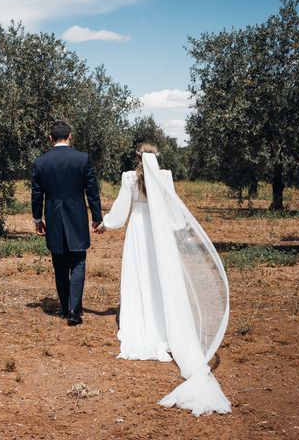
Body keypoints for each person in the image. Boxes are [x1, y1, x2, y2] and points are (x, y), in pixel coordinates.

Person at [96, 142, 231, 416]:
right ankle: (164, 325)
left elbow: (122, 211)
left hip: (138, 231)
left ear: (136, 158)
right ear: (158, 158)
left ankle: (141, 324)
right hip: (160, 235)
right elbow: (173, 211)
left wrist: (105, 223)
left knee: (139, 277)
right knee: (161, 279)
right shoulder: (165, 176)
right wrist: (179, 230)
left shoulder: (129, 178)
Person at [31, 121, 103, 326]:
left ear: (50, 138)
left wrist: (38, 220)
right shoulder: (82, 159)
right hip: (77, 217)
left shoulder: (40, 162)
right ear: (70, 136)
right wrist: (96, 218)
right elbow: (92, 192)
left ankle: (65, 308)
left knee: (59, 265)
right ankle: (74, 309)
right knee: (78, 262)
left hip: (53, 218)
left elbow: (37, 194)